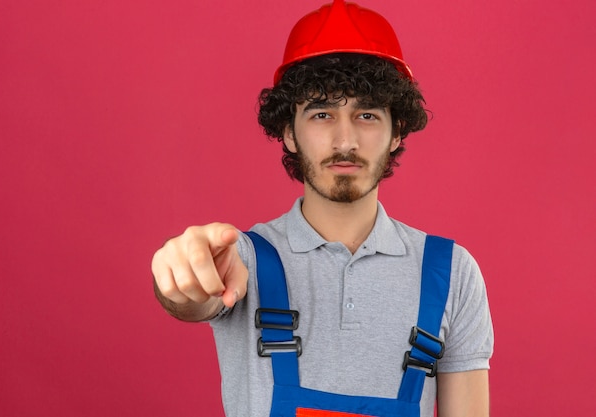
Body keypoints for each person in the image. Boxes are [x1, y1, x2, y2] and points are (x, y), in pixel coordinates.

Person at [151, 1, 493, 416]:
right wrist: (181, 271)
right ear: (288, 133)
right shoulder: (241, 260)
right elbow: (191, 298)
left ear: (396, 131)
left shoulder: (452, 273)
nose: (345, 140)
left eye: (366, 114)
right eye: (322, 113)